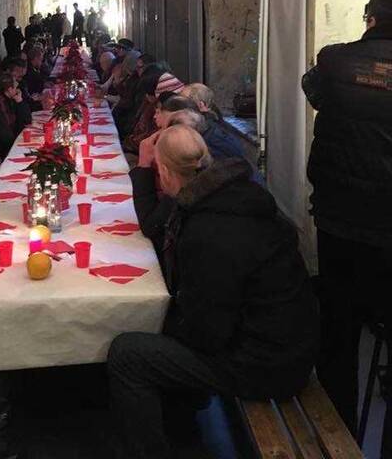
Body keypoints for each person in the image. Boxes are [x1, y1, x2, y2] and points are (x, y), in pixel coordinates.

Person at [109, 125, 319, 459]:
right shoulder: (232, 195)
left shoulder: (207, 229)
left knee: (127, 353)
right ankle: (182, 424)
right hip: (290, 344)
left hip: (268, 366)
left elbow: (207, 335)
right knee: (168, 322)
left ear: (165, 173)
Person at [302, 0, 392, 449]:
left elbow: (313, 90)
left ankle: (338, 436)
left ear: (370, 19)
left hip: (339, 219)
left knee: (339, 328)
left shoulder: (335, 60)